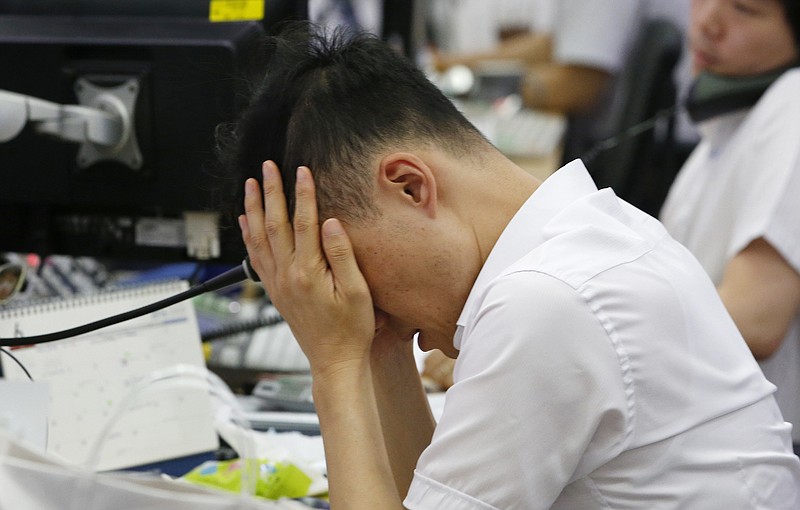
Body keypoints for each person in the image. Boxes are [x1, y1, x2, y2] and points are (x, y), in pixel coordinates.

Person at [222, 24, 800, 509]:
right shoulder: (591, 237)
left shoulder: (549, 300)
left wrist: (334, 362)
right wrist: (377, 349)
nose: (353, 298)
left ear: (409, 186)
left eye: (348, 266)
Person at [659, 0, 800, 454]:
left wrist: (565, 339)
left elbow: (755, 321)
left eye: (745, 8)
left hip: (757, 454)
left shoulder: (794, 104)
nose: (707, 23)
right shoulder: (732, 123)